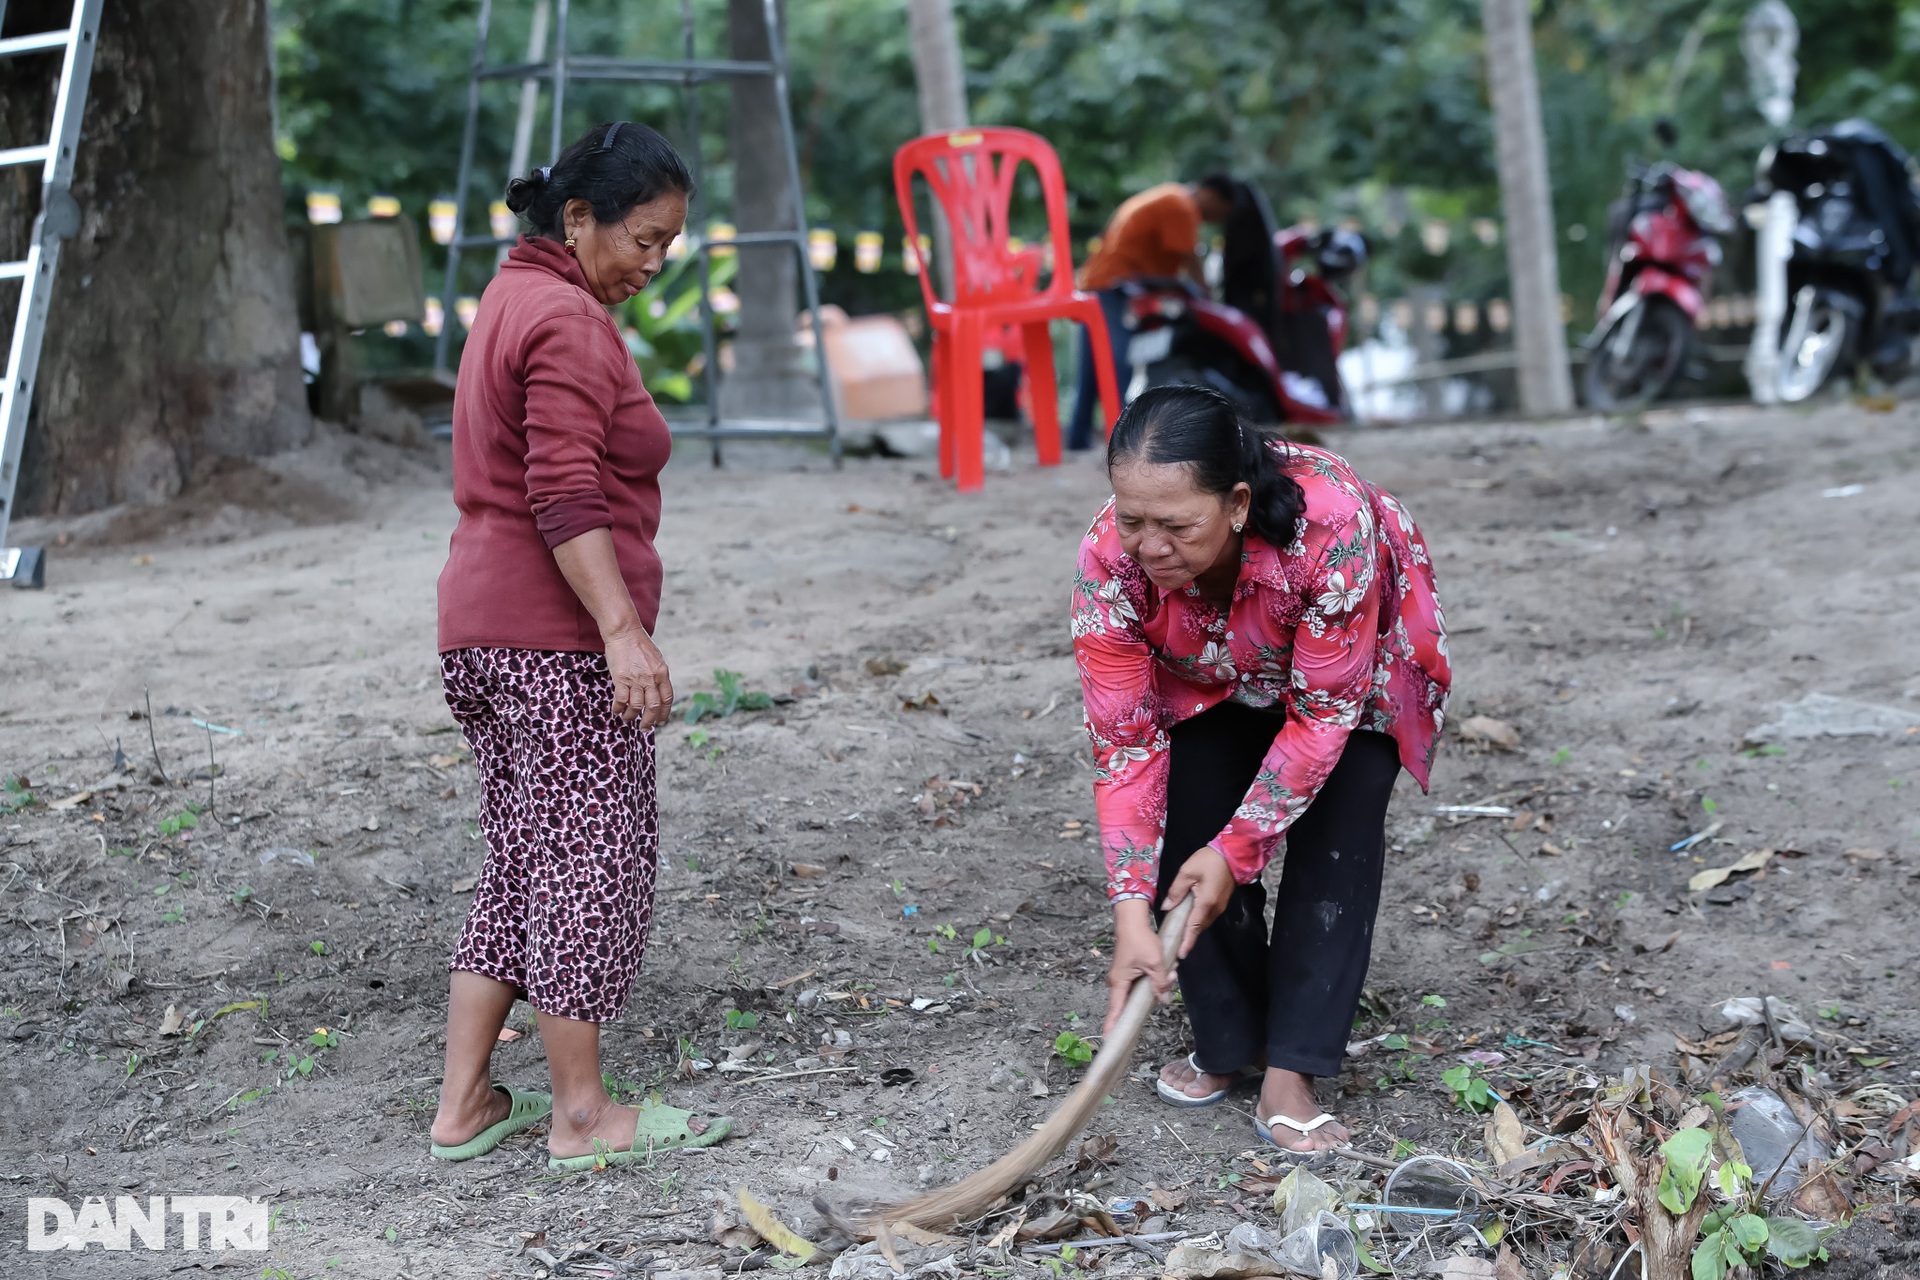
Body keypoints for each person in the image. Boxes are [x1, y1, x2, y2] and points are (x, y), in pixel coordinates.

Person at [428, 121, 732, 1171]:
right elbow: (563, 490)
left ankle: (465, 1102)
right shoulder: (564, 318)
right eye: (642, 239)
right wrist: (621, 631)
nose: (654, 263)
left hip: (480, 633)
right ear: (577, 217)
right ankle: (579, 1114)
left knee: (519, 860)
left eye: (670, 245)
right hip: (553, 640)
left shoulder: (514, 294)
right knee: (589, 865)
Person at [1070, 384, 1450, 1157]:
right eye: (1132, 518)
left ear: (1238, 503)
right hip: (1209, 667)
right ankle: (1230, 1039)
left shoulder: (1332, 524)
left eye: (1176, 525)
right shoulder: (1109, 562)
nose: (1147, 547)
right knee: (1190, 817)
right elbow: (1126, 745)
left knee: (1338, 825)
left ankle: (1292, 1069)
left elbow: (1320, 720)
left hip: (1345, 677)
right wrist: (1130, 914)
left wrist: (1240, 849)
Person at [1066, 175, 1239, 451]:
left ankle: (1077, 437)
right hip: (1117, 285)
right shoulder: (1182, 206)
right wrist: (1208, 298)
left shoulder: (1168, 196)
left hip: (1097, 283)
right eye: (1222, 210)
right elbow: (1190, 261)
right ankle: (1124, 439)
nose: (1218, 218)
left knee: (1094, 366)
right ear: (1210, 194)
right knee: (1117, 360)